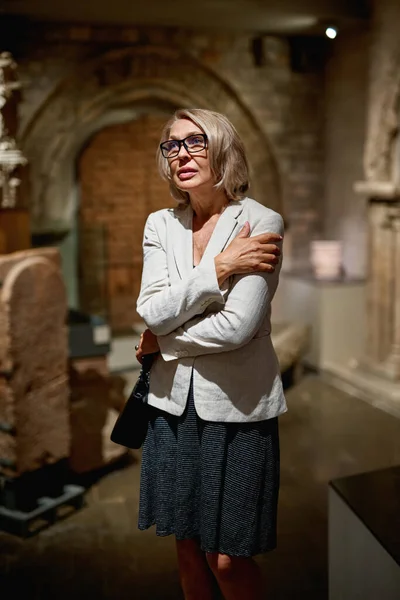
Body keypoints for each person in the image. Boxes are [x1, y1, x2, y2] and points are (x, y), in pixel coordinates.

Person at [135, 108, 286, 600]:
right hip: (172, 408)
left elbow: (237, 327)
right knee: (187, 548)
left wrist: (164, 341)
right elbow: (152, 310)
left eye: (195, 141)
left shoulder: (261, 221)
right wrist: (221, 266)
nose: (181, 153)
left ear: (222, 147)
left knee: (228, 560)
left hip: (237, 409)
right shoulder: (162, 224)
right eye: (172, 145)